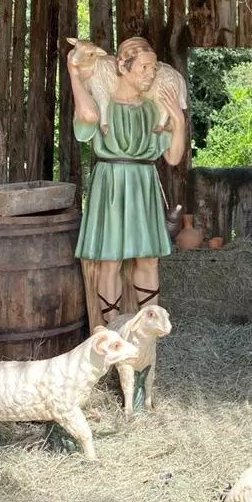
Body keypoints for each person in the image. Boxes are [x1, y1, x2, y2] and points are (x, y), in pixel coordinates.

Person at [69, 37, 187, 323]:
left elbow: (173, 157)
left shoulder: (151, 108)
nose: (151, 74)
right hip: (109, 183)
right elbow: (85, 116)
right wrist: (74, 75)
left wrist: (179, 122)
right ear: (123, 66)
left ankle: (148, 330)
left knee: (148, 259)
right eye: (144, 67)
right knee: (110, 260)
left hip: (142, 183)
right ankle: (112, 331)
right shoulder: (100, 102)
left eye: (154, 68)